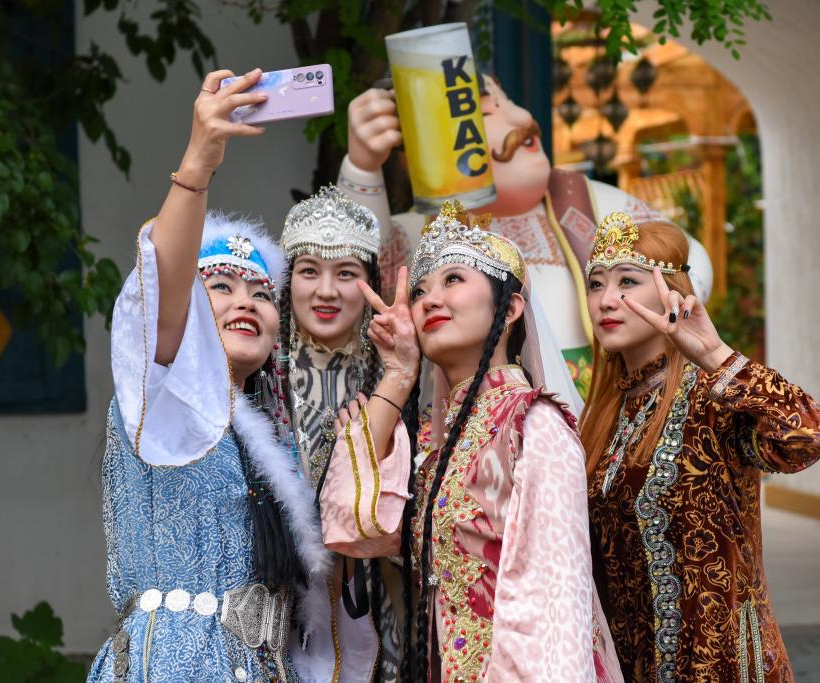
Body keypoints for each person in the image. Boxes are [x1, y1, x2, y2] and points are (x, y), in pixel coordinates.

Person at [88, 68, 337, 683]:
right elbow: (164, 288)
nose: (245, 301)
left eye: (262, 294)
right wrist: (199, 159)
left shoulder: (275, 435)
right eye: (219, 287)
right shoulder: (164, 394)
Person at [318, 201, 624, 682]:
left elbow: (556, 612)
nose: (429, 300)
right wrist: (399, 373)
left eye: (454, 279)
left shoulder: (534, 425)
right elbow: (352, 524)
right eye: (420, 291)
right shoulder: (435, 441)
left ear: (511, 308)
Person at [336, 75, 713, 399]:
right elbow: (356, 269)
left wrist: (651, 329)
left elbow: (686, 262)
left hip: (607, 398)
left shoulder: (584, 202)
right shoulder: (430, 233)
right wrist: (362, 168)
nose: (523, 118)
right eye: (489, 113)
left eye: (510, 103)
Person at [581, 213, 820, 682]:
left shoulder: (712, 397)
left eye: (627, 281)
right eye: (595, 284)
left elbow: (809, 436)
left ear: (671, 293)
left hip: (720, 664)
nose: (606, 300)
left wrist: (717, 355)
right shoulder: (600, 415)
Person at [278, 185, 403, 681]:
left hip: (372, 596)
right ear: (287, 281)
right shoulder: (257, 374)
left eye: (346, 273)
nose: (326, 291)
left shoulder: (399, 375)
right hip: (278, 599)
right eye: (309, 271)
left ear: (371, 284)